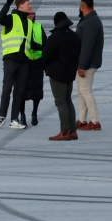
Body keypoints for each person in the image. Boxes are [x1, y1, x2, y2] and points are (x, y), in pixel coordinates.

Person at [41, 12, 82, 141]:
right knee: (68, 100)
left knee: (61, 102)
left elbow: (46, 56)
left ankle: (64, 132)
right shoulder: (75, 37)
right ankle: (73, 131)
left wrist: (43, 67)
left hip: (57, 75)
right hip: (70, 74)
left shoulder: (54, 37)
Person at [0, 0, 33, 129]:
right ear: (21, 6)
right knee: (7, 89)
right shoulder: (11, 18)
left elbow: (31, 42)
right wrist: (7, 4)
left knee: (19, 91)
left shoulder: (30, 22)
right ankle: (2, 117)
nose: (30, 6)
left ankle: (14, 119)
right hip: (11, 59)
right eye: (28, 4)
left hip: (24, 62)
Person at [75, 0, 104, 131]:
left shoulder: (90, 22)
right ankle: (82, 119)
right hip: (85, 61)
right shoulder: (89, 20)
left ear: (82, 6)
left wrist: (82, 65)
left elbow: (87, 46)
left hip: (88, 63)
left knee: (85, 91)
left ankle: (95, 121)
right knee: (81, 91)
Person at [22, 10, 46, 126]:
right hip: (25, 62)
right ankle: (22, 115)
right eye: (29, 14)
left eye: (33, 14)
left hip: (37, 62)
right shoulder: (22, 26)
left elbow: (46, 44)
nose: (31, 15)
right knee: (22, 90)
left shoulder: (38, 26)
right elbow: (29, 43)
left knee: (37, 90)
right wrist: (40, 47)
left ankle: (34, 112)